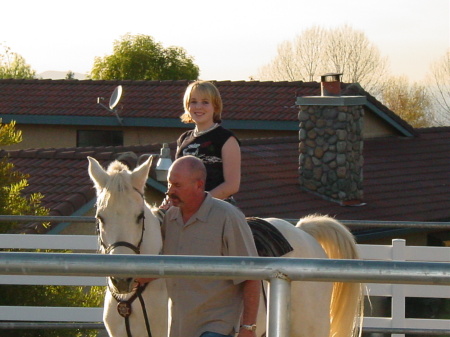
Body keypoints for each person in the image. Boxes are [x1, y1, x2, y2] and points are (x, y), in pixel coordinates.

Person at [161, 155, 260, 337]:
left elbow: (252, 275)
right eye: (169, 184)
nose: (169, 191)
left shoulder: (228, 217)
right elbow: (159, 266)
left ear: (199, 185)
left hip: (216, 328)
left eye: (177, 185)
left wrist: (248, 328)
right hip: (179, 328)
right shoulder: (170, 218)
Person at [161, 80, 240, 208]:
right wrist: (170, 199)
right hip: (185, 209)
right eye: (193, 102)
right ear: (187, 106)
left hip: (218, 209)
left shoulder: (226, 139)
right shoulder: (183, 139)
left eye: (205, 102)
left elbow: (232, 185)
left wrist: (199, 203)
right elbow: (176, 181)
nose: (198, 107)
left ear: (215, 106)